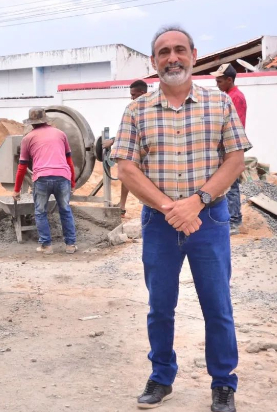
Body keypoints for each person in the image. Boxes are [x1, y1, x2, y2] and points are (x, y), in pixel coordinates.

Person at [111, 26, 251, 412]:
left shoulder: (218, 104)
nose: (172, 58)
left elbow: (235, 159)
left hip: (209, 219)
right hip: (160, 223)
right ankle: (160, 376)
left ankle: (223, 383)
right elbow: (126, 168)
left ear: (192, 54)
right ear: (154, 62)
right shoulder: (137, 111)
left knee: (217, 304)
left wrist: (198, 201)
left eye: (179, 50)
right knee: (160, 305)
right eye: (163, 53)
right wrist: (172, 209)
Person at [13, 107, 77, 254]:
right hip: (62, 177)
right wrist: (72, 182)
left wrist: (16, 190)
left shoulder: (27, 139)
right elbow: (69, 161)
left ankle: (46, 246)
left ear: (31, 123)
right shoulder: (61, 134)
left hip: (41, 178)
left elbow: (22, 167)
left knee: (40, 212)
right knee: (65, 210)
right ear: (46, 120)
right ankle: (70, 245)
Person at [103, 79, 150, 216]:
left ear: (142, 93)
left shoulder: (149, 109)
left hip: (148, 154)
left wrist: (112, 141)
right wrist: (113, 140)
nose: (131, 98)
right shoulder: (133, 109)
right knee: (127, 173)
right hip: (137, 152)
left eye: (134, 95)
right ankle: (122, 206)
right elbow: (126, 132)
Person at [212, 63, 248, 235]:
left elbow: (235, 127)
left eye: (219, 81)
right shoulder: (228, 96)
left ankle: (235, 221)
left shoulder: (235, 98)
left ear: (229, 80)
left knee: (231, 184)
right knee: (225, 184)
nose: (217, 85)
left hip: (230, 147)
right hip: (226, 146)